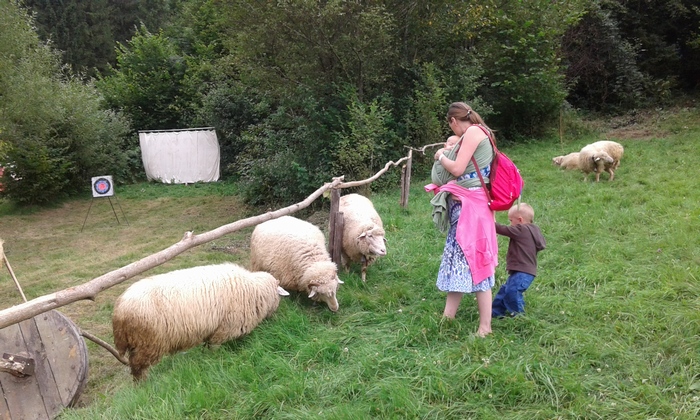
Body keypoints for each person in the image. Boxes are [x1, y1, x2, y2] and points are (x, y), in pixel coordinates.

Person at [424, 102, 498, 337]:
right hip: (468, 206)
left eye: (451, 127)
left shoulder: (474, 132)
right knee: (459, 260)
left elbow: (457, 169)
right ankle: (448, 316)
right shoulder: (481, 131)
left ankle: (485, 327)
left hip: (471, 209)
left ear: (453, 121)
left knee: (478, 262)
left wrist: (440, 156)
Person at [492, 203, 546, 318]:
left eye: (511, 220)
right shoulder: (534, 230)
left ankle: (519, 316)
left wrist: (490, 220)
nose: (510, 224)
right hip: (525, 271)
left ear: (520, 220)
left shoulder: (521, 229)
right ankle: (495, 313)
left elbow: (501, 229)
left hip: (523, 271)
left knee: (513, 291)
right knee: (505, 290)